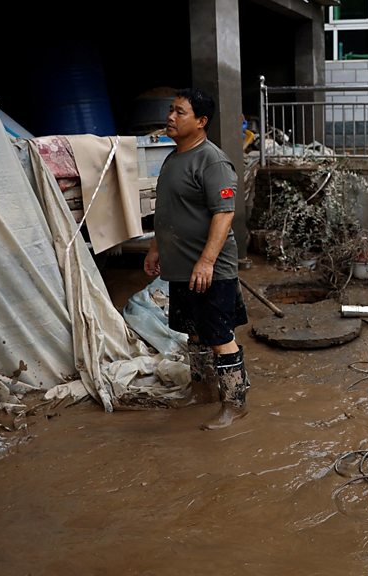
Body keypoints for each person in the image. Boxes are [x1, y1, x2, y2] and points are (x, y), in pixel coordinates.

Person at [145, 87, 251, 430]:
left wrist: (206, 261)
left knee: (220, 337)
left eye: (180, 112)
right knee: (194, 334)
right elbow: (169, 210)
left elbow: (224, 214)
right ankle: (202, 392)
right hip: (182, 269)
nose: (170, 117)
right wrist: (156, 247)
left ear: (201, 121)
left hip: (210, 270)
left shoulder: (212, 160)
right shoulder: (173, 158)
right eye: (171, 111)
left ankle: (234, 405)